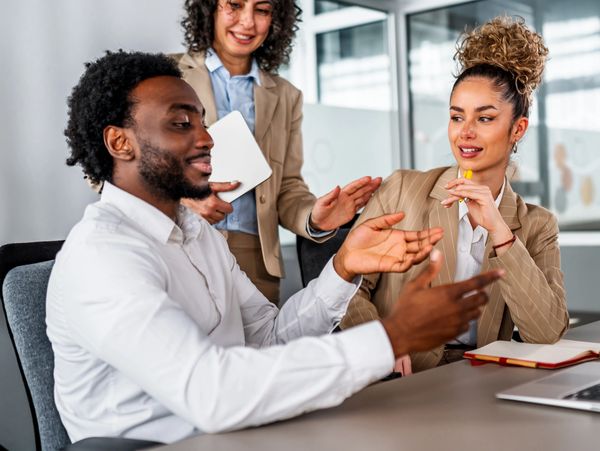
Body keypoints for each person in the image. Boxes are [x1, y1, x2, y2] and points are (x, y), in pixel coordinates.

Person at [47, 50, 502, 443]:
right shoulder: (102, 256)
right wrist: (390, 337)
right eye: (181, 123)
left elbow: (267, 338)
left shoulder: (197, 231)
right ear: (119, 142)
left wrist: (342, 269)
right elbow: (212, 393)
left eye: (203, 122)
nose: (206, 138)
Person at [340, 16, 568, 374]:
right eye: (457, 117)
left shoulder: (537, 225)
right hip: (401, 375)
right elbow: (347, 285)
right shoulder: (402, 190)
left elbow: (547, 331)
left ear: (517, 129)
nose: (465, 133)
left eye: (485, 118)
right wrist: (382, 341)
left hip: (482, 380)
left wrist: (501, 232)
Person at [173, 0, 382, 303]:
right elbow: (105, 167)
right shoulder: (164, 75)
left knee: (258, 349)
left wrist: (314, 218)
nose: (248, 22)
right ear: (209, 8)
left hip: (255, 261)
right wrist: (182, 201)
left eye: (262, 10)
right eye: (234, 5)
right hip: (179, 246)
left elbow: (286, 187)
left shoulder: (286, 96)